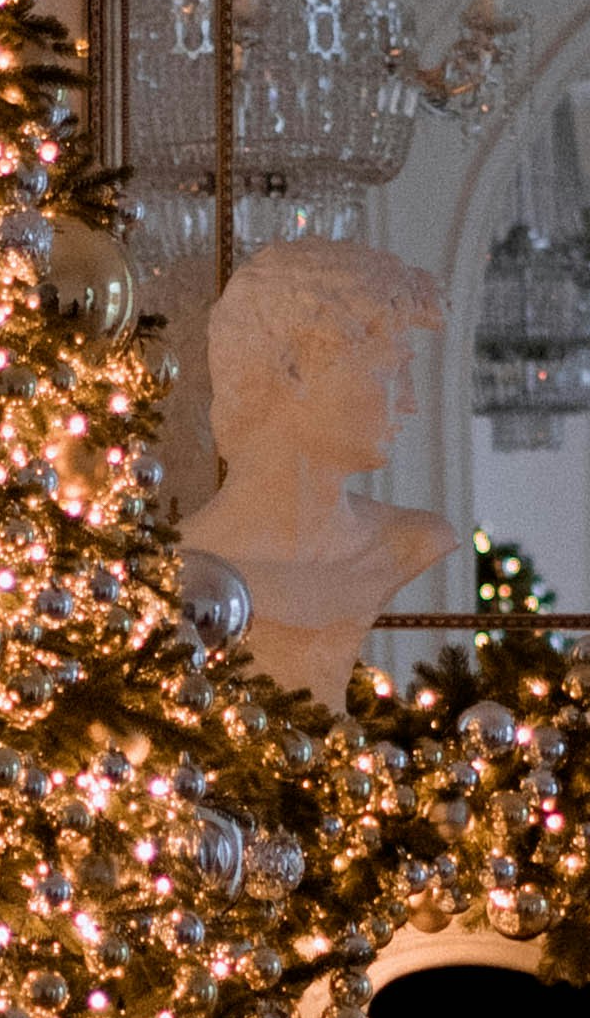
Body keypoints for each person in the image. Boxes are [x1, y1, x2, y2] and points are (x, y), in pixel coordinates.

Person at [183, 234, 460, 698]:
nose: (409, 402)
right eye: (390, 370)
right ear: (296, 368)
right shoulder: (179, 570)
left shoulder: (412, 544)